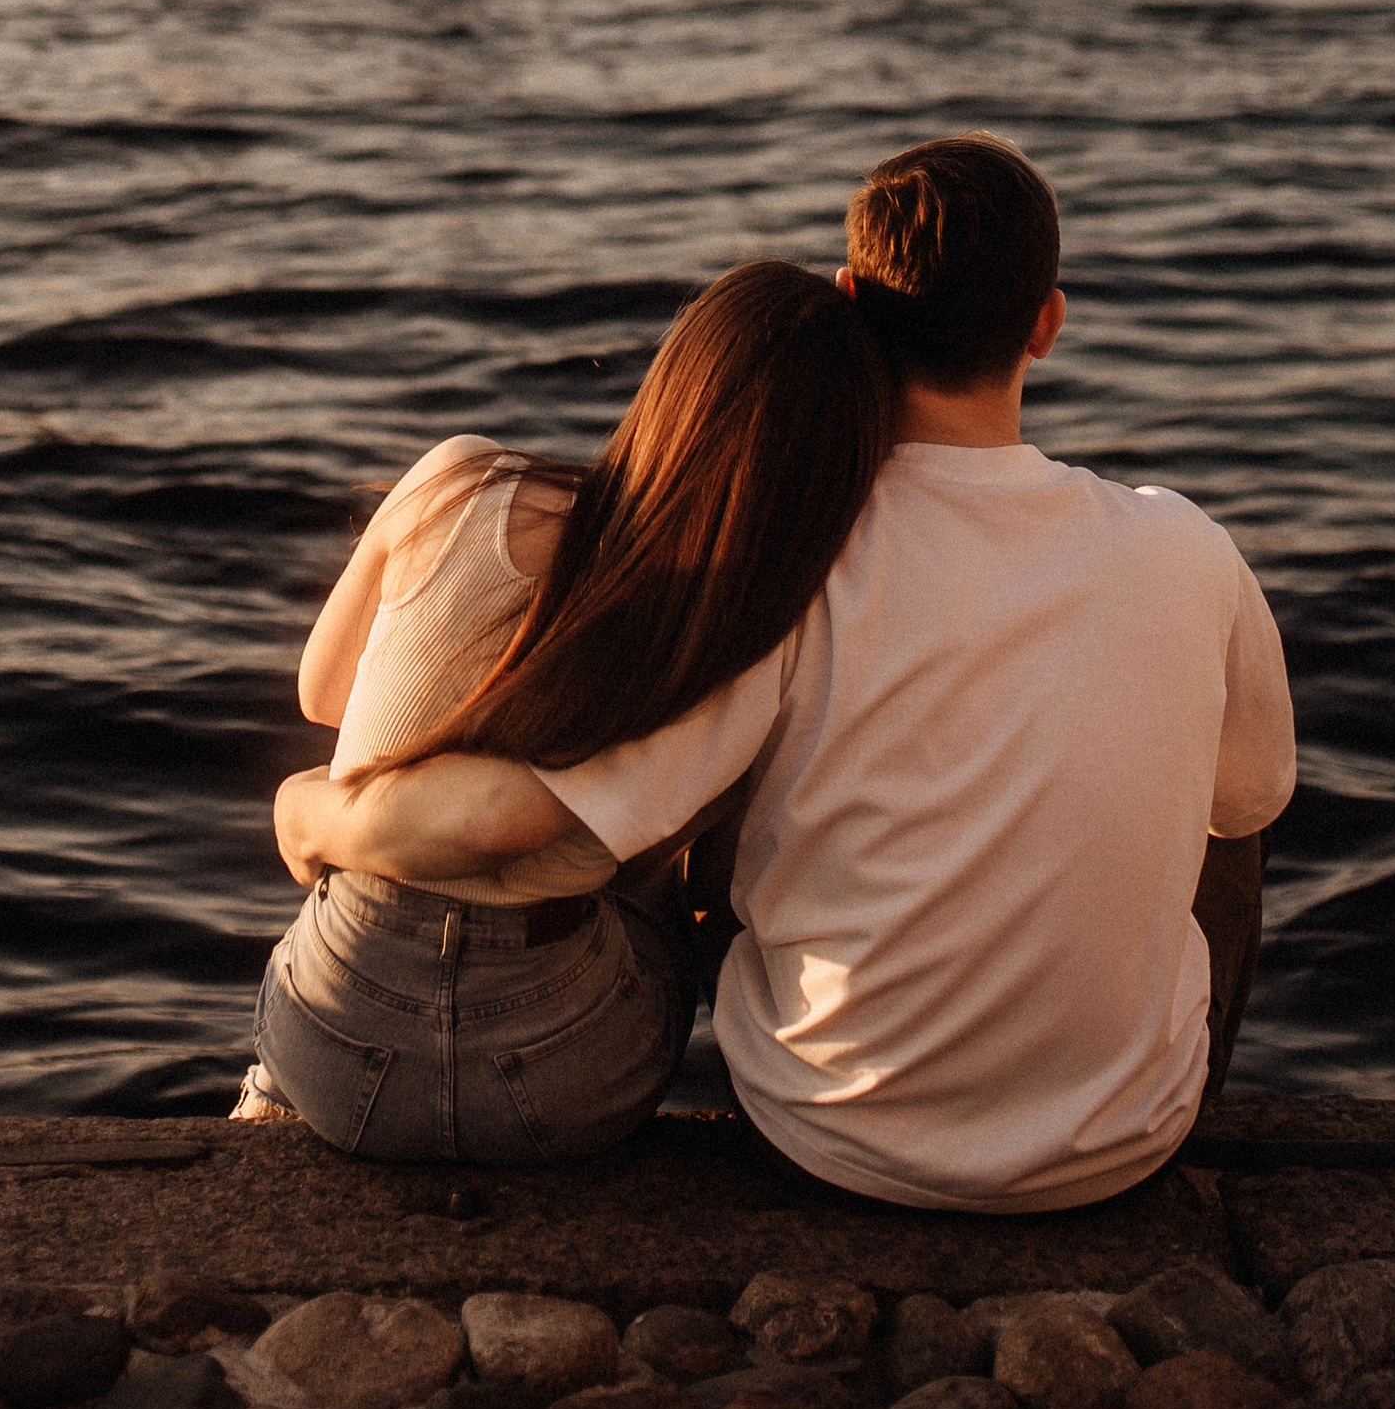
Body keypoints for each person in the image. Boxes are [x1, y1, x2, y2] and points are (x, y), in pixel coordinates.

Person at [275, 134, 1295, 1209]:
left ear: (853, 296)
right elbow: (1252, 793)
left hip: (831, 1132)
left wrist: (318, 813)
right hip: (1121, 1150)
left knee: (700, 804)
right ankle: (1133, 1080)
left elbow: (564, 812)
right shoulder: (1188, 544)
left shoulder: (783, 557)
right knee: (1228, 816)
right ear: (1046, 320)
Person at [243, 262, 895, 1167]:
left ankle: (267, 1094)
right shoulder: (742, 634)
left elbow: (323, 694)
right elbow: (713, 883)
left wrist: (332, 795)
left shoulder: (459, 480)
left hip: (327, 1040)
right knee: (675, 882)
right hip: (558, 1085)